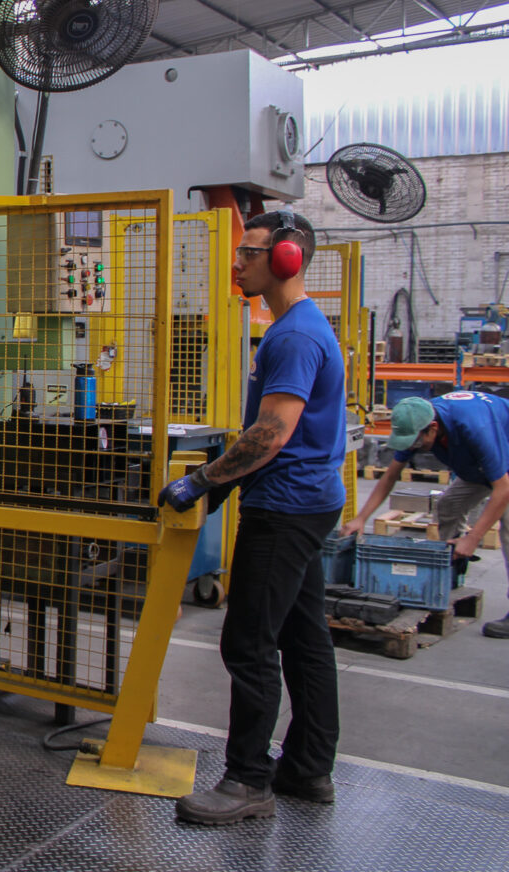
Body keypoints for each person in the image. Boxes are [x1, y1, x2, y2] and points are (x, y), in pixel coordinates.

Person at [157, 210, 346, 825]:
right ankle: (308, 768)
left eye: (250, 252)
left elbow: (270, 434)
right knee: (304, 638)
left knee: (249, 643)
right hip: (312, 499)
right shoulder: (300, 326)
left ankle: (246, 781)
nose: (236, 263)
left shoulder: (293, 337)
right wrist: (223, 484)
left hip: (285, 507)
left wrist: (201, 480)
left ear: (286, 259)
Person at [342, 392, 509, 638]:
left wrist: (473, 538)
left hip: (503, 467)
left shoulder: (474, 428)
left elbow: (503, 488)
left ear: (433, 428)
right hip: (479, 468)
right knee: (448, 506)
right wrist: (361, 518)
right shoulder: (415, 421)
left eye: (416, 442)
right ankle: (448, 575)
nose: (413, 447)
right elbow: (390, 475)